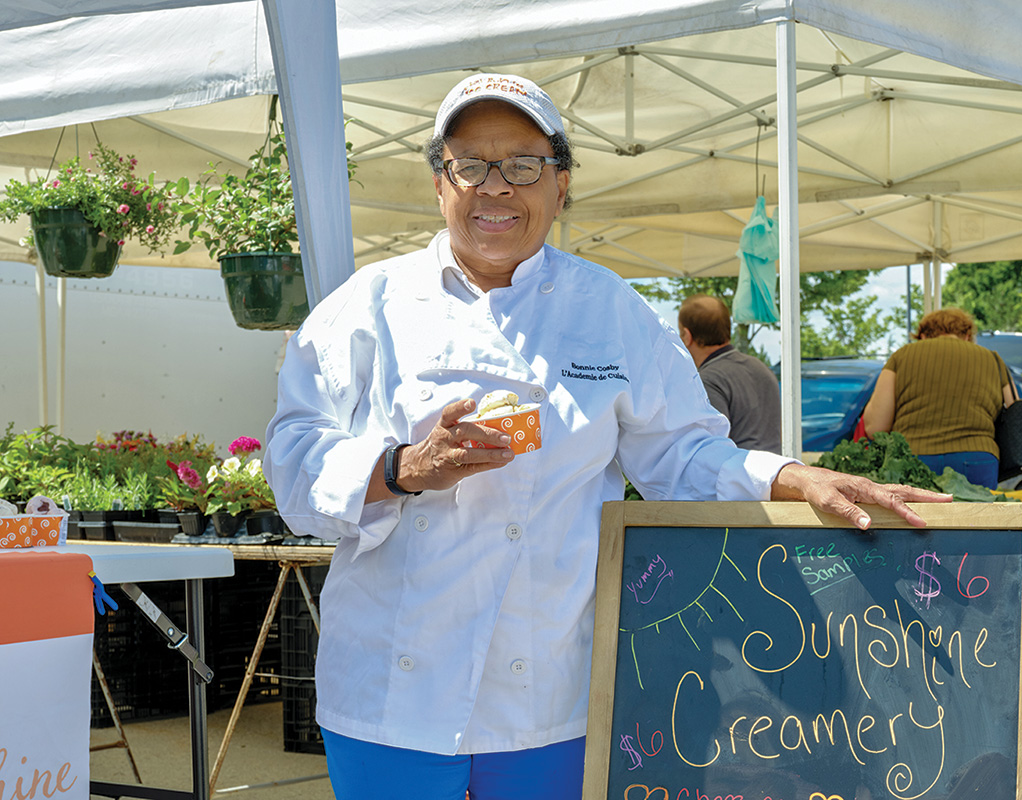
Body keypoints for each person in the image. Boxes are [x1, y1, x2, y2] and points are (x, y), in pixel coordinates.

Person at [263, 72, 950, 800]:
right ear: (440, 183)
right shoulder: (367, 307)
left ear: (562, 186)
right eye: (471, 164)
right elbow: (293, 456)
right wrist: (404, 467)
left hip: (547, 693)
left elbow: (682, 453)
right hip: (388, 691)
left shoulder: (611, 311)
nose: (497, 187)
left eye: (524, 165)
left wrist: (791, 477)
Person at [861, 307, 1015, 488]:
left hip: (912, 459)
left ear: (923, 336)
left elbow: (876, 427)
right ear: (967, 335)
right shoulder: (993, 359)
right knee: (976, 515)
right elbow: (1015, 412)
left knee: (916, 517)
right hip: (977, 459)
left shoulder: (902, 356)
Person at [678, 293, 782, 453]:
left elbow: (711, 450)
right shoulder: (760, 367)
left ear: (687, 336)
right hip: (774, 471)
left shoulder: (708, 380)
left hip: (739, 475)